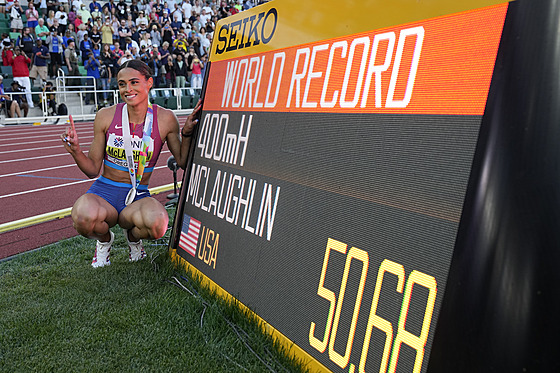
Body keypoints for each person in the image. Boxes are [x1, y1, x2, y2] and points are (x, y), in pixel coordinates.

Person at [60, 59, 202, 267]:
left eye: (134, 82)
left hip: (138, 195)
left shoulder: (165, 119)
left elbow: (182, 161)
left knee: (158, 226)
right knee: (82, 217)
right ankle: (104, 242)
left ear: (149, 83)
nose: (128, 89)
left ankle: (133, 239)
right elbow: (92, 170)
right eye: (122, 84)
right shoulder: (105, 116)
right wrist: (76, 151)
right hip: (104, 193)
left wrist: (187, 133)